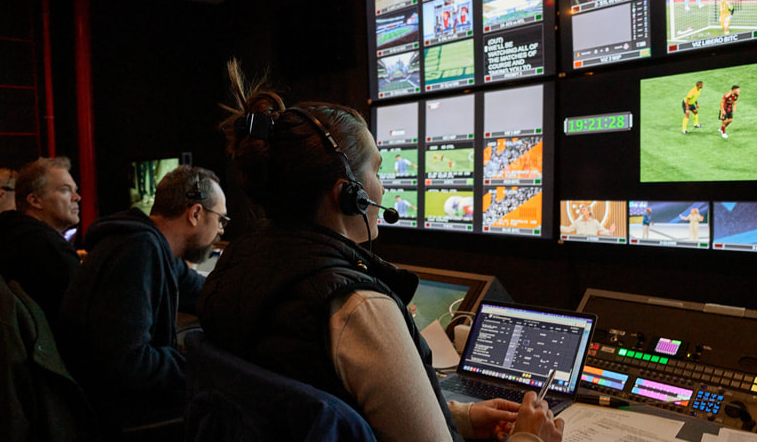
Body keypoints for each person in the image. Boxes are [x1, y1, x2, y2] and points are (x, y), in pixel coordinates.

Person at [198, 61, 564, 442]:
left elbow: (317, 406)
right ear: (348, 193)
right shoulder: (358, 308)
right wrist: (529, 437)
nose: (383, 189)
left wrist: (461, 418)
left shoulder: (236, 268)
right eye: (376, 169)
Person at [60, 165, 224, 433]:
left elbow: (203, 291)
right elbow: (130, 363)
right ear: (195, 213)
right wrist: (205, 367)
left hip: (108, 398)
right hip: (116, 413)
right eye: (221, 219)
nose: (220, 231)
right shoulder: (138, 250)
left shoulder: (150, 244)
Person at [0, 156, 81, 324]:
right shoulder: (49, 250)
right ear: (35, 200)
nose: (77, 197)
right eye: (65, 190)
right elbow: (81, 320)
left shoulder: (1, 234)